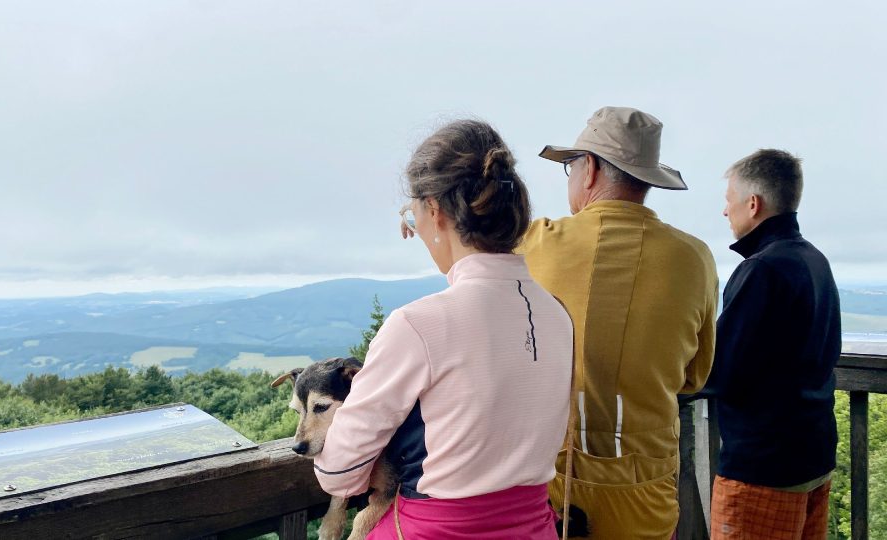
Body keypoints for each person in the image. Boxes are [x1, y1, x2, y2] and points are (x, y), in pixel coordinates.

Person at [313, 119, 574, 539]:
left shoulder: (416, 325)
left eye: (411, 215)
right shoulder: (557, 315)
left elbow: (338, 471)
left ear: (433, 210)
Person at [518, 106, 718, 539]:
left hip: (546, 489)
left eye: (571, 165)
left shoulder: (534, 242)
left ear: (588, 169)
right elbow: (694, 376)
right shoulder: (694, 257)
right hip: (645, 488)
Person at [704, 149, 840, 539]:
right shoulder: (814, 259)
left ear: (753, 203)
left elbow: (722, 369)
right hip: (813, 455)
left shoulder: (762, 269)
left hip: (764, 467)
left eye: (728, 201)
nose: (725, 212)